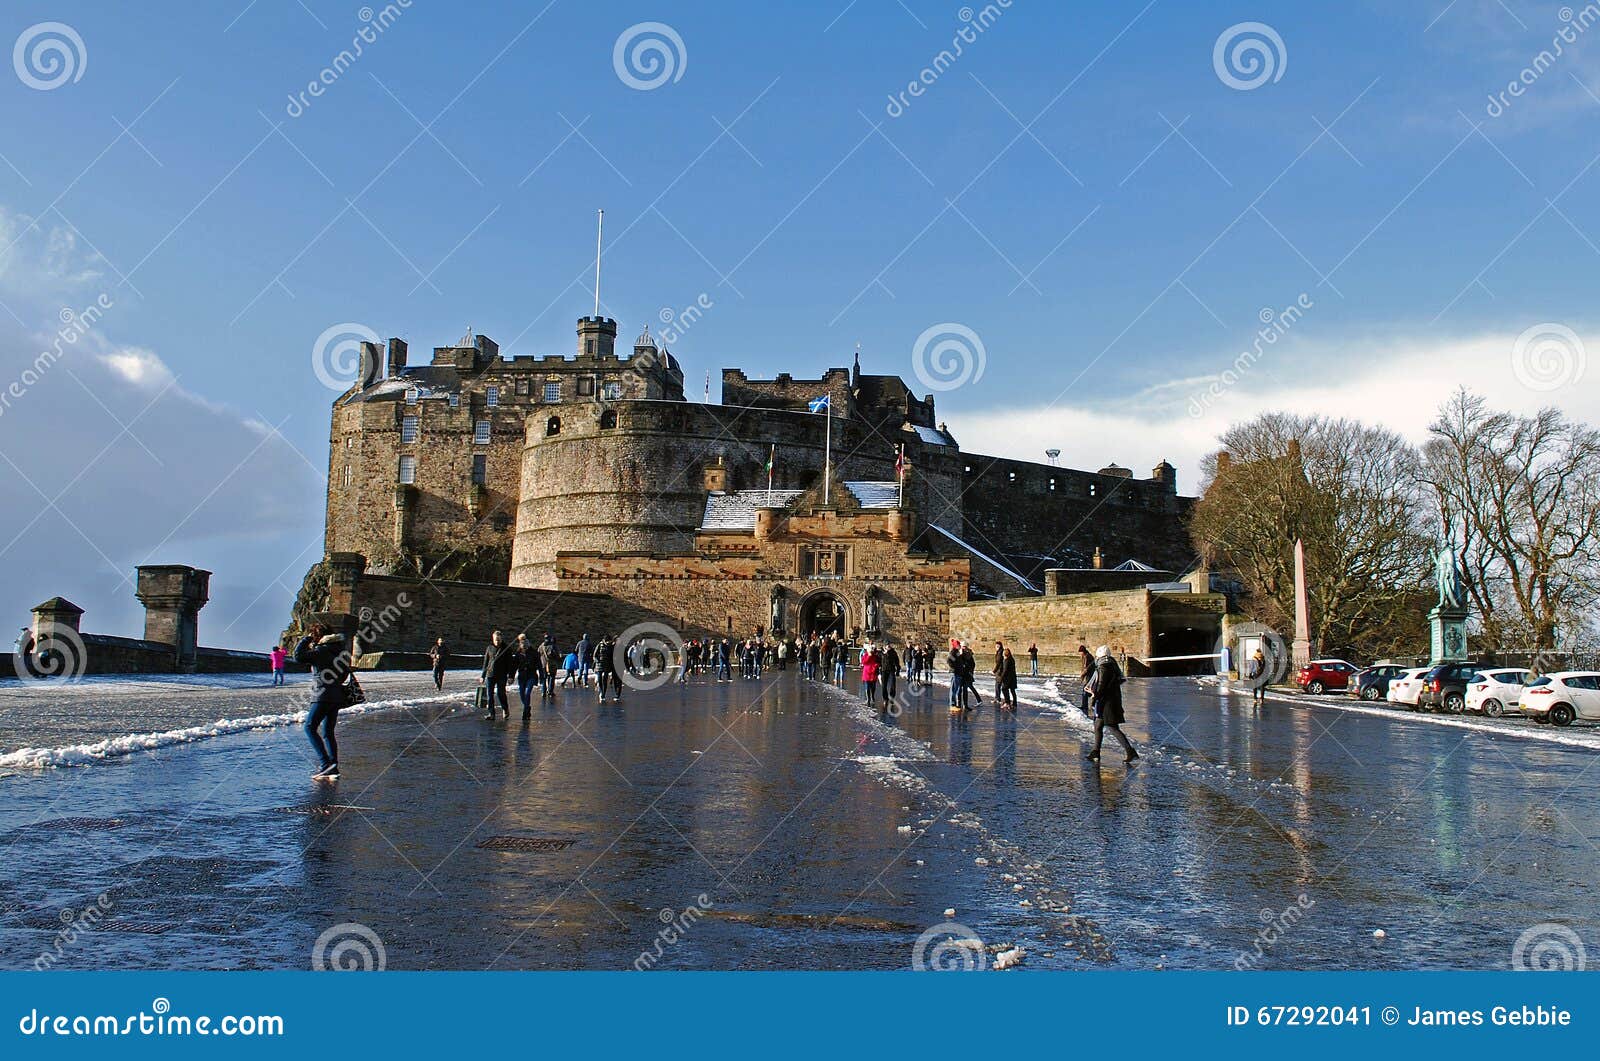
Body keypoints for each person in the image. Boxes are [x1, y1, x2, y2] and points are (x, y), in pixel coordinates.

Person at [292, 623, 353, 779]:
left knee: (309, 727)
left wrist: (305, 639)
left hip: (322, 695)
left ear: (318, 636)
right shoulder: (340, 652)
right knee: (328, 732)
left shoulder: (321, 651)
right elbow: (345, 673)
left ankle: (325, 764)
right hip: (337, 695)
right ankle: (333, 767)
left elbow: (298, 656)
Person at [1086, 645, 1138, 764]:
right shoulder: (1111, 664)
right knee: (1098, 725)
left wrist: (1094, 697)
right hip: (1110, 699)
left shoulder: (1104, 666)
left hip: (1107, 702)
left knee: (1112, 727)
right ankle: (1096, 752)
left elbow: (1101, 685)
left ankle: (1130, 751)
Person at [482, 630, 513, 719]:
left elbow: (510, 664)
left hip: (501, 674)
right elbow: (486, 662)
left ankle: (505, 708)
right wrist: (482, 676)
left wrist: (511, 676)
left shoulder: (506, 648)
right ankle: (491, 714)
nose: (497, 642)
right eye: (495, 640)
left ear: (501, 639)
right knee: (489, 694)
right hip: (490, 674)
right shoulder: (489, 648)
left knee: (500, 693)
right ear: (493, 639)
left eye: (498, 640)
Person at [514, 633, 543, 718]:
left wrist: (542, 676)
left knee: (527, 693)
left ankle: (525, 711)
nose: (524, 649)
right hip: (522, 676)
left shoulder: (534, 653)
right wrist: (511, 676)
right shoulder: (518, 654)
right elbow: (514, 665)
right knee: (522, 694)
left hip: (531, 675)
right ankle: (527, 706)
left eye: (525, 647)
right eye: (523, 648)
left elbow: (539, 665)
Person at [595, 634, 621, 702]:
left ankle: (603, 694)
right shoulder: (599, 645)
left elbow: (611, 656)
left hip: (607, 665)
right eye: (608, 642)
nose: (608, 643)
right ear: (605, 640)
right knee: (600, 679)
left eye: (610, 642)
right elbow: (595, 655)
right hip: (599, 665)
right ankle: (601, 691)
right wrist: (598, 661)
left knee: (605, 680)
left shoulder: (610, 646)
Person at [1078, 644, 1096, 716]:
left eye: (1081, 652)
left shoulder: (1088, 657)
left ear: (1083, 651)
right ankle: (1085, 706)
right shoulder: (1085, 656)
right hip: (1088, 676)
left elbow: (1087, 668)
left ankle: (1085, 706)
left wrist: (1082, 675)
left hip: (1091, 676)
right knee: (1085, 690)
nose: (1080, 654)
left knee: (1086, 690)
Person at [539, 633, 559, 698]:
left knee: (544, 678)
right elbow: (556, 655)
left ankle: (543, 692)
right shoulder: (552, 646)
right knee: (552, 677)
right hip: (551, 664)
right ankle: (550, 691)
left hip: (543, 664)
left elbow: (538, 653)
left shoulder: (541, 646)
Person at [860, 642, 880, 707]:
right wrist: (869, 656)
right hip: (867, 673)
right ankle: (868, 699)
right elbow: (864, 662)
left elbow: (878, 662)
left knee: (873, 687)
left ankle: (872, 697)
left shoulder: (875, 656)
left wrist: (876, 666)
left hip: (873, 673)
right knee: (867, 686)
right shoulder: (865, 655)